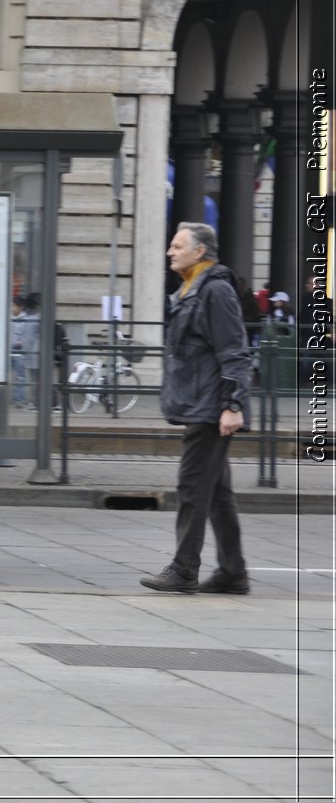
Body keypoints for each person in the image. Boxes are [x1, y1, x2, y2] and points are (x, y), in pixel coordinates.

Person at [141, 222, 252, 596]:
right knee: (217, 493)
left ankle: (184, 570)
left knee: (192, 488)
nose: (170, 251)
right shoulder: (190, 289)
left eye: (177, 246)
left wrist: (232, 405)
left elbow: (234, 351)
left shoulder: (216, 291)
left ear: (199, 251)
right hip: (199, 405)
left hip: (211, 407)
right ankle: (233, 573)